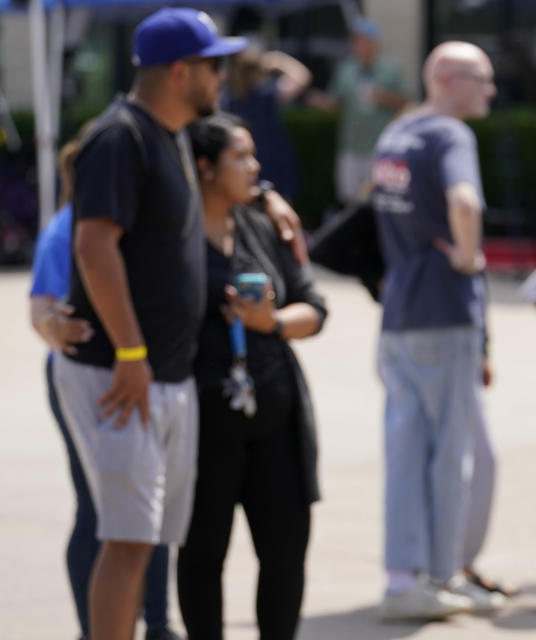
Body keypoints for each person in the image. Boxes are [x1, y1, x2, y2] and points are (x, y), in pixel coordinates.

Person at [50, 9, 248, 639]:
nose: (224, 76)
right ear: (181, 71)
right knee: (128, 541)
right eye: (215, 65)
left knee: (149, 541)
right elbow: (92, 245)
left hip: (165, 373)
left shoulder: (175, 135)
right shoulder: (121, 137)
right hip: (119, 373)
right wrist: (131, 353)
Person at [175, 113, 327, 640]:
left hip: (277, 419)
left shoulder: (264, 226)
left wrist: (271, 322)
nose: (255, 167)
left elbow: (315, 308)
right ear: (204, 169)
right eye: (240, 157)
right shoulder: (173, 237)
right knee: (201, 555)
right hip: (203, 423)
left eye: (252, 155)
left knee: (284, 557)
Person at [29, 130, 181, 640]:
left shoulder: (144, 224)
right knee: (100, 509)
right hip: (93, 377)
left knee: (146, 509)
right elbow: (41, 308)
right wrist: (54, 325)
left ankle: (158, 623)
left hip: (143, 375)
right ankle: (95, 628)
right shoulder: (67, 229)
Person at [371, 40, 498, 621]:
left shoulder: (397, 134)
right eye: (482, 79)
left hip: (400, 311)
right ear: (446, 78)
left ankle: (408, 575)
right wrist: (469, 258)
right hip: (443, 314)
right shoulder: (450, 136)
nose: (491, 91)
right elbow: (465, 203)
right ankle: (433, 576)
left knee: (406, 448)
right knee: (448, 455)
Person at [307, 17, 408, 204]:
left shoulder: (390, 70)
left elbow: (406, 103)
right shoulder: (346, 69)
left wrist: (383, 97)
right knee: (350, 200)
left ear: (373, 42)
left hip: (380, 148)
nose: (356, 44)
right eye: (354, 40)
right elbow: (337, 105)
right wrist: (320, 103)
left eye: (361, 39)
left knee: (381, 199)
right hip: (351, 148)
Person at [223, 43, 312, 199]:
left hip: (246, 172)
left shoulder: (227, 102)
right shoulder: (265, 95)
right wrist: (277, 60)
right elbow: (302, 76)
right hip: (274, 171)